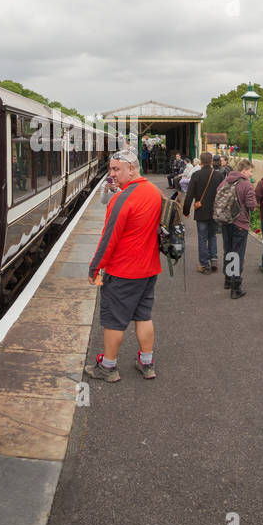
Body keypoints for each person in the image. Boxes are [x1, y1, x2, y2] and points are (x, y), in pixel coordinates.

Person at [84, 154, 167, 380]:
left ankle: (108, 367)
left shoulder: (121, 200)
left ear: (131, 169)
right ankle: (146, 363)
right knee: (143, 316)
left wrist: (94, 268)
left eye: (116, 169)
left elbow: (108, 238)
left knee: (114, 320)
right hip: (149, 268)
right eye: (110, 169)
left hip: (123, 271)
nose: (111, 174)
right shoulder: (153, 191)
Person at [212, 155, 260, 298]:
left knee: (228, 250)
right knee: (237, 253)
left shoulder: (225, 180)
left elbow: (218, 195)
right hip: (240, 222)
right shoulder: (247, 185)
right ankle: (236, 287)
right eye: (250, 171)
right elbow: (251, 206)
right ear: (244, 170)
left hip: (226, 221)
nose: (251, 174)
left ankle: (228, 279)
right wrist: (253, 205)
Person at [182, 149, 224, 274]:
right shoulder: (219, 175)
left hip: (201, 212)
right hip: (215, 211)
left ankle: (204, 264)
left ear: (201, 162)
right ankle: (214, 259)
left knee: (202, 238)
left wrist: (186, 211)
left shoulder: (196, 175)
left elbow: (189, 195)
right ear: (211, 161)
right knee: (212, 236)